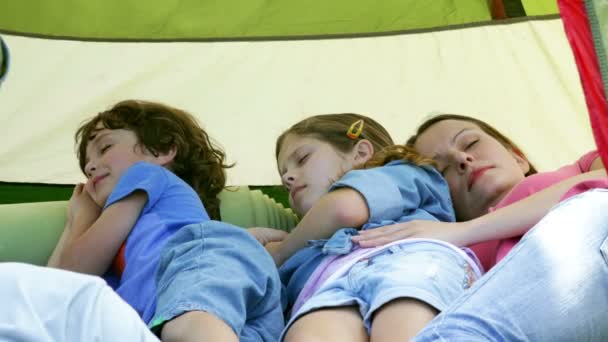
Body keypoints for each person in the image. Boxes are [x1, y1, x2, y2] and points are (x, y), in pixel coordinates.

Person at [351, 113, 608, 341]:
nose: (462, 159)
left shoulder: (583, 166)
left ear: (517, 157)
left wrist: (465, 231)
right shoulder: (460, 255)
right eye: (443, 170)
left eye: (471, 143)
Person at [47, 100, 283, 342]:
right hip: (199, 311)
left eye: (105, 147)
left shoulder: (145, 174)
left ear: (161, 150)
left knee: (187, 327)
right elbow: (49, 294)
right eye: (86, 167)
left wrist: (82, 219)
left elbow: (72, 272)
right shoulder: (121, 254)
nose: (90, 166)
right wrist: (73, 219)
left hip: (195, 273)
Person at [267, 113, 483, 341]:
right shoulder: (304, 241)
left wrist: (280, 251)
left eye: (302, 159)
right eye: (284, 177)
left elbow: (343, 209)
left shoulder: (400, 173)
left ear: (360, 153)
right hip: (326, 287)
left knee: (402, 323)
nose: (289, 177)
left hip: (407, 258)